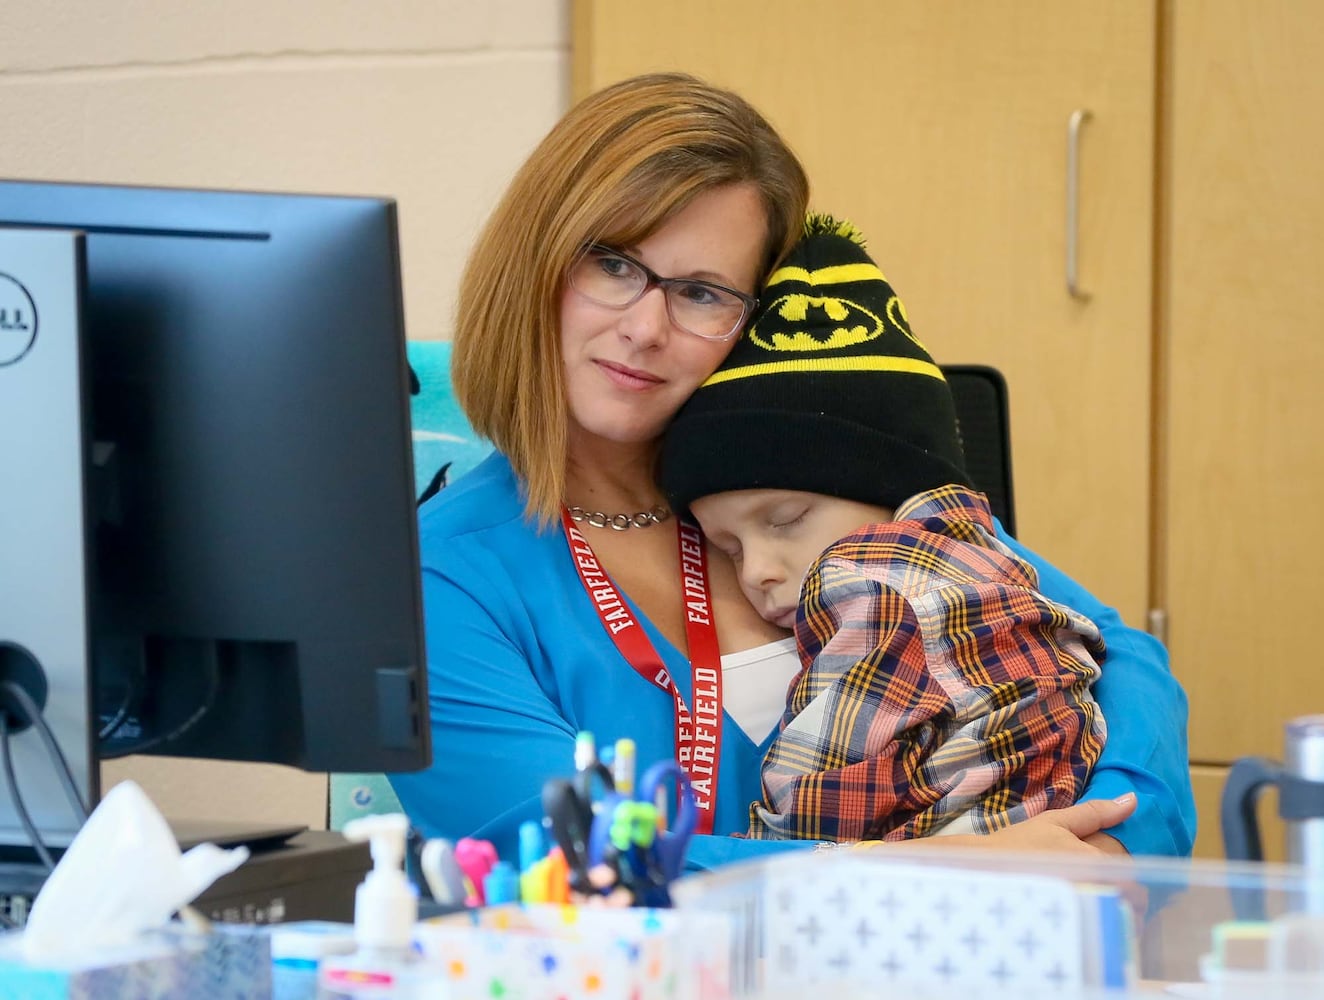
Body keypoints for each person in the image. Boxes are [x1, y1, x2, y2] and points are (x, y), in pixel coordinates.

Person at [387, 72, 1196, 870]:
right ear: (533, 265)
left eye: (702, 292)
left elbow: (1117, 653)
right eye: (611, 263)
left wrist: (1115, 844)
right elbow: (578, 862)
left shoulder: (805, 489)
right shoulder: (435, 578)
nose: (644, 328)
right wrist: (943, 883)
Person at [657, 214, 1109, 844]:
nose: (756, 568)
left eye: (785, 520)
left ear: (890, 494)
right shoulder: (986, 556)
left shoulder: (874, 591)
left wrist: (760, 858)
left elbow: (821, 791)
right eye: (726, 547)